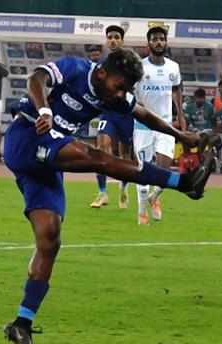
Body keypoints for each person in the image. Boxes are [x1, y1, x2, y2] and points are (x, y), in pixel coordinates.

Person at [2, 48, 213, 344]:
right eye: (120, 86)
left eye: (127, 89)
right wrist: (45, 110)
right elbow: (37, 78)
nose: (122, 93)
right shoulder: (75, 68)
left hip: (49, 159)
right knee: (98, 158)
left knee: (50, 239)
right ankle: (182, 182)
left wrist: (181, 135)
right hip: (27, 138)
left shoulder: (114, 94)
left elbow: (142, 114)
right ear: (102, 72)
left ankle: (21, 323)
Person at [133, 26, 187, 225]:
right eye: (154, 39)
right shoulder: (138, 66)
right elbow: (130, 94)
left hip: (165, 125)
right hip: (143, 125)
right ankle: (141, 211)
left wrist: (180, 113)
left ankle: (155, 197)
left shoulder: (173, 67)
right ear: (148, 44)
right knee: (143, 170)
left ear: (166, 43)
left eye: (161, 39)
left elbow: (176, 89)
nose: (158, 42)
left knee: (163, 169)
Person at [90, 25, 135, 209]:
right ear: (106, 41)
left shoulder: (131, 63)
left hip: (126, 114)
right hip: (108, 113)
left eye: (117, 37)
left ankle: (124, 188)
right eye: (110, 37)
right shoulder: (101, 64)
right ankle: (102, 193)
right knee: (101, 148)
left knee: (125, 155)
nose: (113, 40)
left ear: (122, 41)